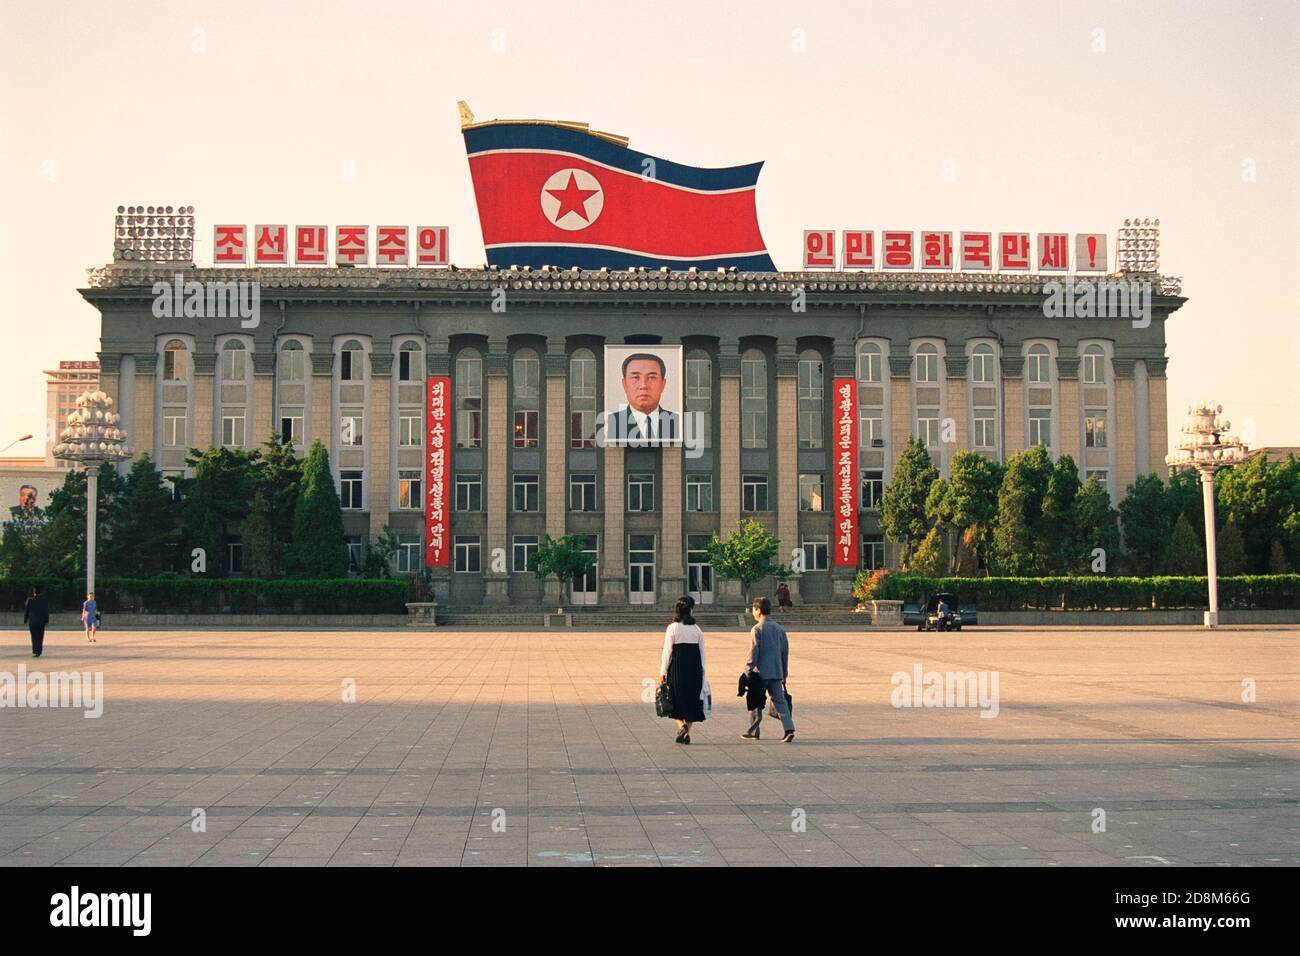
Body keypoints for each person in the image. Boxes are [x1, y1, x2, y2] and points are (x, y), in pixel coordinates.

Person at [742, 596, 795, 742]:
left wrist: (748, 670)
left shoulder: (757, 629)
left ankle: (754, 730)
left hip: (760, 673)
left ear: (758, 610)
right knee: (780, 701)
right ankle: (789, 729)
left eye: (754, 609)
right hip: (777, 671)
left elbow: (754, 652)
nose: (753, 612)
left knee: (755, 701)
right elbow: (785, 652)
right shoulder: (779, 629)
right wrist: (784, 672)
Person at [659, 595, 708, 744]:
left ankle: (682, 727)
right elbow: (702, 654)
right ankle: (687, 732)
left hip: (677, 670)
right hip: (694, 670)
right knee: (692, 701)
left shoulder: (672, 628)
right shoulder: (697, 629)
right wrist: (703, 673)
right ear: (691, 610)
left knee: (677, 700)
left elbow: (667, 652)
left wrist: (663, 671)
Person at [613, 352, 680, 446]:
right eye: (635, 377)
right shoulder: (610, 423)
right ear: (624, 384)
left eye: (652, 377)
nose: (643, 386)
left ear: (663, 384)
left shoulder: (678, 423)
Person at [24, 584, 50, 658]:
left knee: (34, 636)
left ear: (34, 592)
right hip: (41, 621)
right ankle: (39, 651)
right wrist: (47, 621)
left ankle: (35, 650)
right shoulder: (44, 600)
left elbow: (27, 611)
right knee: (40, 636)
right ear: (41, 592)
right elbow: (46, 611)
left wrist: (25, 620)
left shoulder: (30, 600)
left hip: (32, 621)